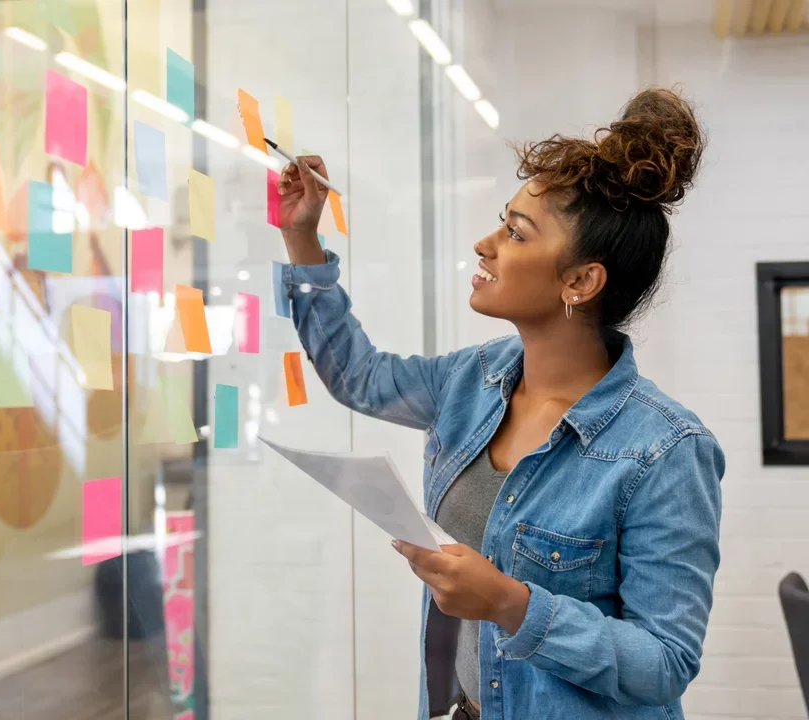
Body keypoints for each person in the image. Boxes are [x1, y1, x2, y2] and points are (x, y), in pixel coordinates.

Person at [274, 87, 723, 720]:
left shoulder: (666, 449)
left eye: (514, 233)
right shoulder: (472, 380)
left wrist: (512, 603)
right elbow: (361, 378)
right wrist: (302, 240)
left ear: (580, 281)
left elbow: (665, 663)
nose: (485, 244)